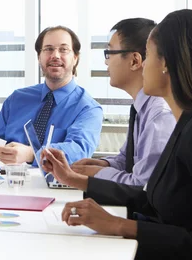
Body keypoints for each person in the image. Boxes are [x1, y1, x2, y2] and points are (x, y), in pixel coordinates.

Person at [42, 9, 192, 260]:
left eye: (148, 55)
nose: (143, 64)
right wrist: (84, 189)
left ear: (166, 63)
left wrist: (119, 225)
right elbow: (154, 199)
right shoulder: (189, 121)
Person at [0, 26, 103, 166]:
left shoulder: (88, 109)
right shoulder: (17, 99)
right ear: (39, 57)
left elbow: (79, 151)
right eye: (48, 49)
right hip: (6, 182)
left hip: (54, 189)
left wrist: (32, 154)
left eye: (63, 50)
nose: (55, 55)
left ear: (75, 58)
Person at [72, 18, 175, 186]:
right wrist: (105, 164)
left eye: (109, 53)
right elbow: (128, 160)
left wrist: (98, 174)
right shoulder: (142, 107)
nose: (106, 62)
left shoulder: (159, 115)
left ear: (135, 61)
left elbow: (142, 185)